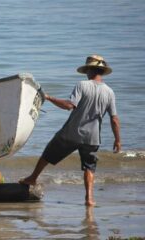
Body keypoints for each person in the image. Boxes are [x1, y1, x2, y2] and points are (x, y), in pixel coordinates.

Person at [19, 55, 121, 206]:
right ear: (101, 71)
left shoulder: (82, 85)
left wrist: (48, 97)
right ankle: (89, 199)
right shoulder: (110, 92)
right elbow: (114, 119)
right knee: (89, 168)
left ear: (89, 70)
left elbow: (68, 106)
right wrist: (118, 139)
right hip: (92, 138)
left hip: (71, 134)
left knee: (47, 154)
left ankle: (33, 178)